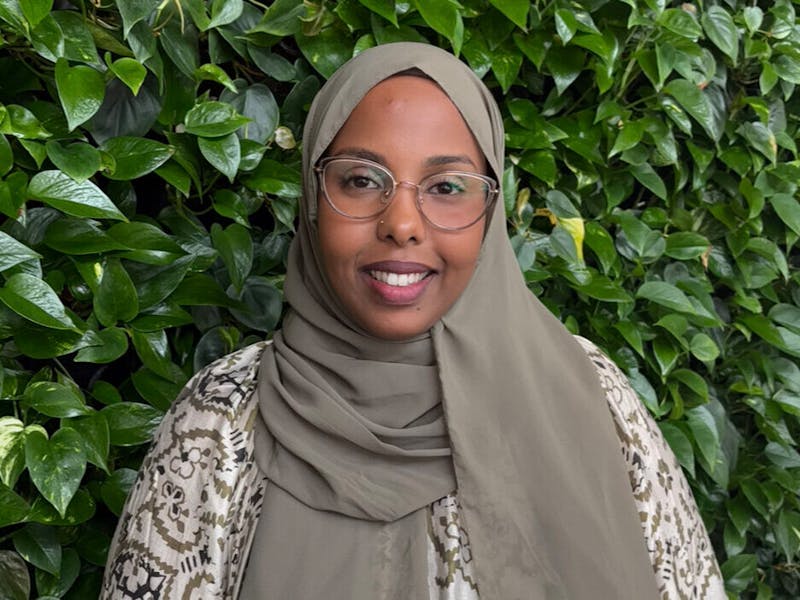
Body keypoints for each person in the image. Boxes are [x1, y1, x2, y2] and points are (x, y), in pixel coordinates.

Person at [101, 42, 725, 599]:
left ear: (491, 211)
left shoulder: (591, 396)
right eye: (360, 180)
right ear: (314, 199)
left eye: (446, 187)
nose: (401, 224)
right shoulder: (224, 415)